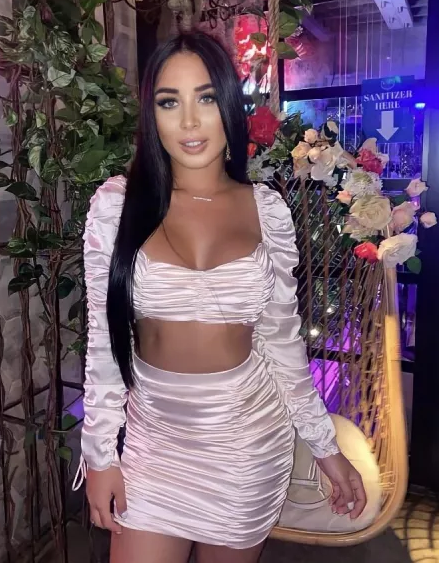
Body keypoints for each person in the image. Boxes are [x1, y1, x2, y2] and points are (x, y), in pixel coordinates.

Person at [73, 31, 367, 563]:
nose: (189, 121)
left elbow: (283, 345)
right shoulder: (117, 207)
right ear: (152, 116)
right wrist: (99, 456)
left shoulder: (267, 211)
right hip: (154, 443)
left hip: (246, 444)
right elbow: (103, 342)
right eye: (170, 102)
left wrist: (325, 447)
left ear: (228, 106)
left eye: (205, 98)